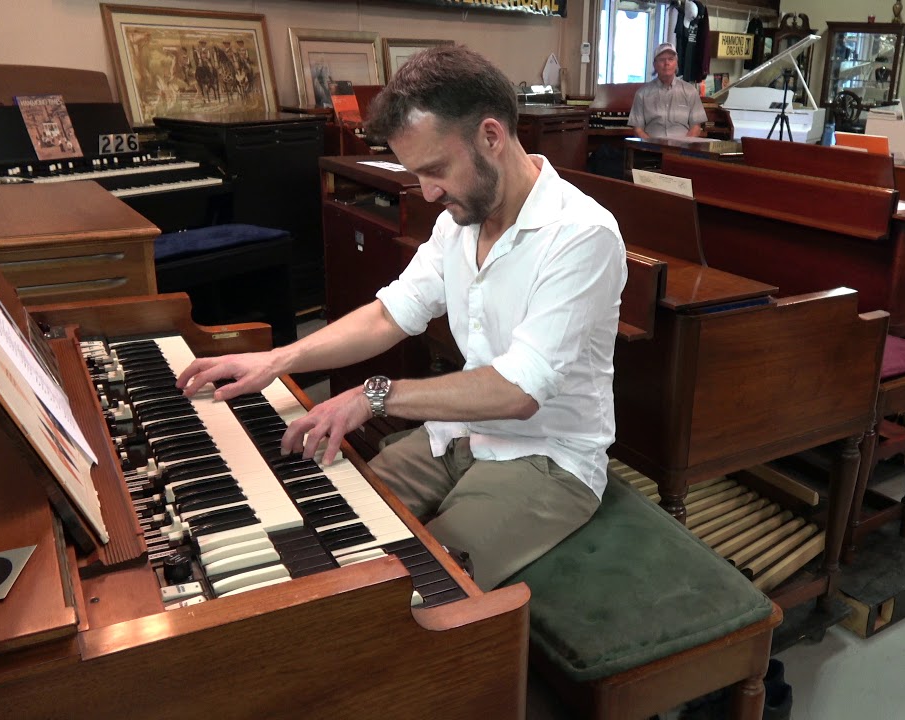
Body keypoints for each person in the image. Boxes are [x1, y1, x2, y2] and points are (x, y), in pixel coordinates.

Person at [176, 45, 628, 591]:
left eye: (436, 169)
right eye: (417, 173)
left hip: (549, 459)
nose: (429, 192)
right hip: (463, 434)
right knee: (319, 514)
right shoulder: (460, 221)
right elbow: (389, 315)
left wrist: (375, 395)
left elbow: (518, 392)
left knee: (410, 589)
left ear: (492, 135)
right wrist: (279, 358)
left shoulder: (582, 235)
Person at [628, 43, 708, 140]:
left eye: (671, 59)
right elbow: (637, 129)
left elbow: (696, 127)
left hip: (683, 151)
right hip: (651, 150)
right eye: (662, 60)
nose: (667, 63)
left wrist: (682, 147)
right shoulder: (642, 94)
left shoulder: (690, 91)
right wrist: (651, 145)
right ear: (655, 65)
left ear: (676, 63)